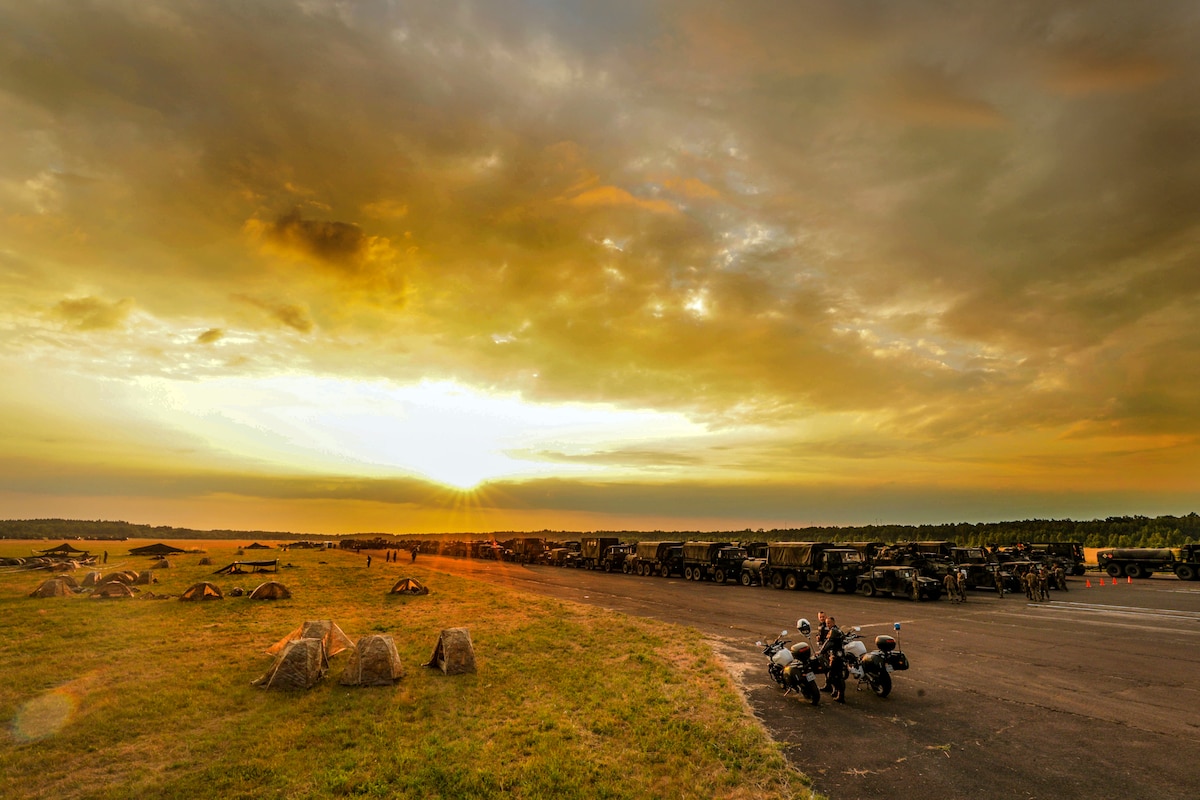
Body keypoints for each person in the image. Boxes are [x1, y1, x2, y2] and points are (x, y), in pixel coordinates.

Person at [816, 616, 846, 702]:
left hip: (835, 658)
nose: (827, 625)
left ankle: (840, 694)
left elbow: (828, 643)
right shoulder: (839, 631)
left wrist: (821, 651)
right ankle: (837, 692)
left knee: (833, 676)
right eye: (826, 623)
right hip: (840, 656)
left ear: (833, 622)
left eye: (829, 623)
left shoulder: (834, 631)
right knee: (838, 676)